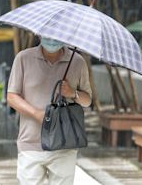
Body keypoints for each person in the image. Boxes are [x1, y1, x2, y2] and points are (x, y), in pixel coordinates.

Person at [7, 37, 92, 185]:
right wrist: (36, 114)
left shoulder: (77, 62)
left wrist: (73, 93)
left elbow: (87, 100)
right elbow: (12, 96)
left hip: (64, 144)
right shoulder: (24, 58)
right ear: (39, 34)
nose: (52, 40)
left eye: (57, 36)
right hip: (30, 143)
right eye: (47, 34)